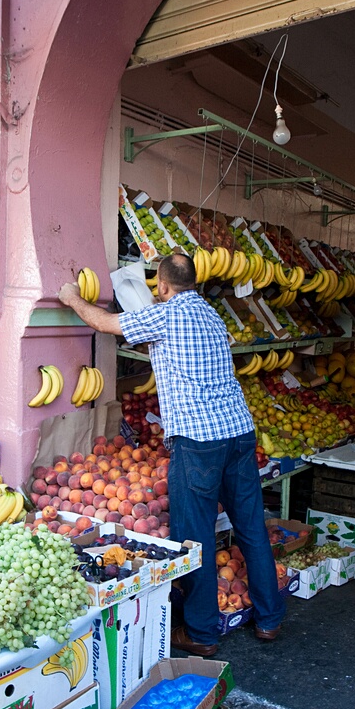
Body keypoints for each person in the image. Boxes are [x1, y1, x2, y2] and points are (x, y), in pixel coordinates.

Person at [58, 252, 285, 656]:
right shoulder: (212, 316)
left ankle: (201, 633)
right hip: (239, 433)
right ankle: (269, 620)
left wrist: (73, 298)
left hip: (199, 443)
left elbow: (104, 323)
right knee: (251, 526)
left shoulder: (165, 314)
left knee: (193, 535)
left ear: (161, 286)